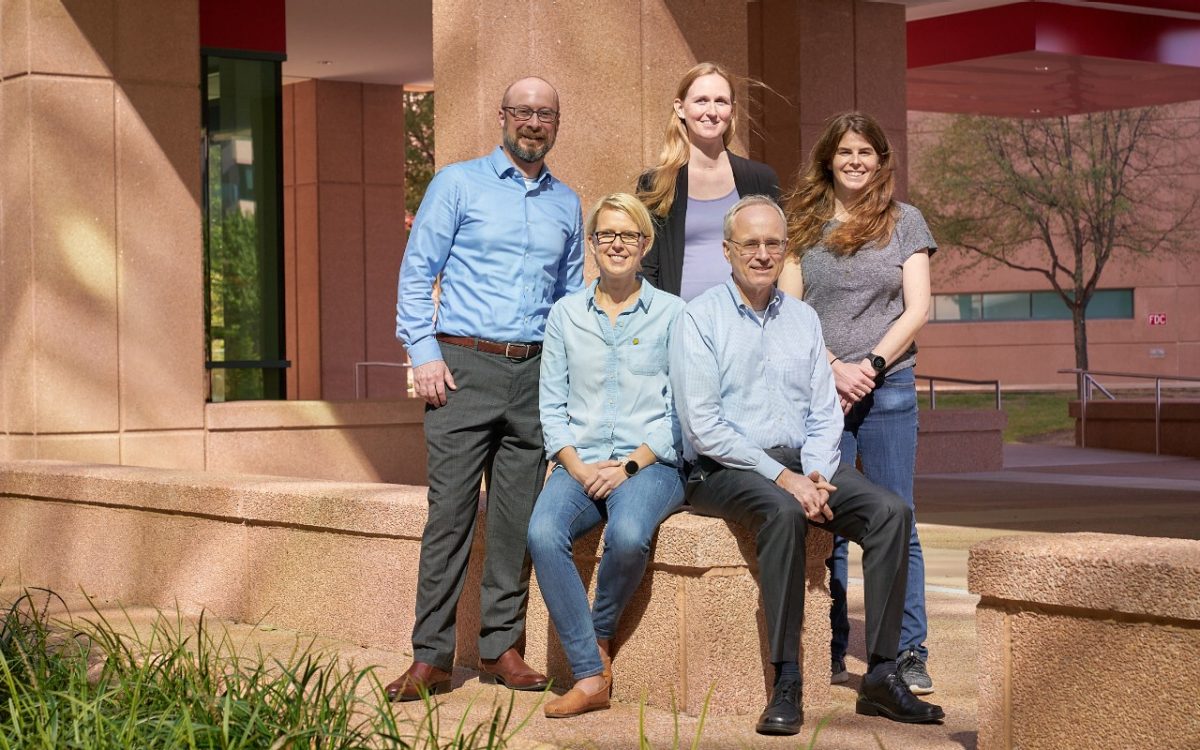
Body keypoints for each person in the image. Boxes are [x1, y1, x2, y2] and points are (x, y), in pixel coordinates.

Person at [670, 195, 944, 735]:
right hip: (724, 469)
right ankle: (787, 678)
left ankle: (882, 675)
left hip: (805, 461)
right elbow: (704, 427)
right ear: (727, 251)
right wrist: (785, 479)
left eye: (774, 243)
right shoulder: (698, 318)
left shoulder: (802, 319)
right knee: (782, 512)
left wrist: (817, 472)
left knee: (890, 512)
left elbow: (823, 411)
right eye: (750, 243)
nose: (763, 253)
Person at [389, 76, 584, 702]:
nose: (533, 122)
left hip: (533, 373)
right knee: (448, 516)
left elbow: (571, 299)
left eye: (545, 113)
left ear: (557, 122)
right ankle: (431, 657)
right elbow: (418, 273)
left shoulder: (568, 204)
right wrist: (423, 353)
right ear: (503, 116)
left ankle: (502, 647)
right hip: (461, 369)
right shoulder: (457, 183)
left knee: (515, 520)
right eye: (523, 111)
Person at [779, 112, 937, 695]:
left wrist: (869, 367)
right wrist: (832, 369)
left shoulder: (905, 221)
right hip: (822, 391)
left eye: (865, 152)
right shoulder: (803, 223)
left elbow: (917, 307)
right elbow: (791, 312)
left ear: (880, 159)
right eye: (845, 151)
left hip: (889, 385)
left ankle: (907, 650)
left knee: (900, 517)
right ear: (828, 158)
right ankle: (832, 643)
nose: (855, 161)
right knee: (830, 518)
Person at [527, 193, 686, 718]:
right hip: (580, 460)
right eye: (606, 235)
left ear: (645, 244)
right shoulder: (565, 314)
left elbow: (679, 411)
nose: (617, 244)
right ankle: (591, 676)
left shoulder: (673, 314)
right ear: (592, 245)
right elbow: (551, 406)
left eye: (628, 235)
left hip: (652, 463)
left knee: (628, 534)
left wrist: (630, 467)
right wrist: (577, 467)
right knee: (542, 533)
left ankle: (594, 638)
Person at [637, 61, 779, 301]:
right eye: (701, 100)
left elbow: (781, 254)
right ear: (680, 108)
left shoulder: (760, 180)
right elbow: (648, 265)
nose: (711, 112)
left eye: (721, 101)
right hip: (680, 323)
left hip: (747, 323)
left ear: (732, 110)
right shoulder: (657, 183)